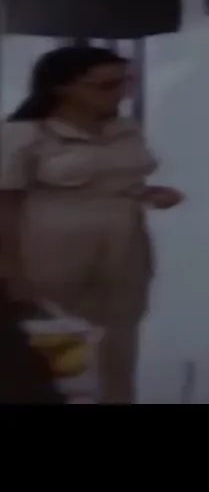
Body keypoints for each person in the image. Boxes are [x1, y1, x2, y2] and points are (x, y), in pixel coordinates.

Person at [0, 45, 185, 404]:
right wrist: (10, 270)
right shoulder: (23, 133)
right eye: (107, 85)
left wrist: (150, 193)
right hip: (50, 248)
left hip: (124, 246)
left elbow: (117, 179)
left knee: (119, 341)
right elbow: (5, 203)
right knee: (57, 344)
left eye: (125, 83)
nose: (120, 93)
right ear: (63, 87)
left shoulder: (124, 130)